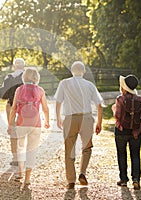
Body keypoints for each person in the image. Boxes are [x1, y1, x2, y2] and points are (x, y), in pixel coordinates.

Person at [54, 61, 103, 189]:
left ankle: (71, 180)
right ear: (84, 72)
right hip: (86, 118)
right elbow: (99, 104)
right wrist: (99, 122)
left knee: (69, 149)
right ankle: (82, 172)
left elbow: (58, 102)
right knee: (87, 148)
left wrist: (58, 117)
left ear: (71, 71)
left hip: (70, 118)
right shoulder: (89, 85)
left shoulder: (64, 83)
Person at [8, 67, 50, 185]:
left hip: (21, 123)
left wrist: (10, 124)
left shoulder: (19, 89)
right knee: (32, 150)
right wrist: (47, 121)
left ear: (24, 77)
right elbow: (45, 108)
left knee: (20, 148)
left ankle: (19, 172)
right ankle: (27, 178)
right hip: (36, 124)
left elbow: (13, 108)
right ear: (36, 77)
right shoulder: (40, 90)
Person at [112, 75, 141, 190]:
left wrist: (114, 109)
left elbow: (117, 116)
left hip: (121, 131)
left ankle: (123, 180)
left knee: (122, 154)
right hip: (136, 132)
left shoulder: (120, 99)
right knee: (135, 155)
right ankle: (136, 180)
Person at [0, 58, 25, 166]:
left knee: (12, 130)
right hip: (24, 107)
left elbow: (3, 95)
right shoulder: (27, 76)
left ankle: (15, 158)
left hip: (10, 105)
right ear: (23, 67)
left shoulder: (9, 77)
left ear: (14, 66)